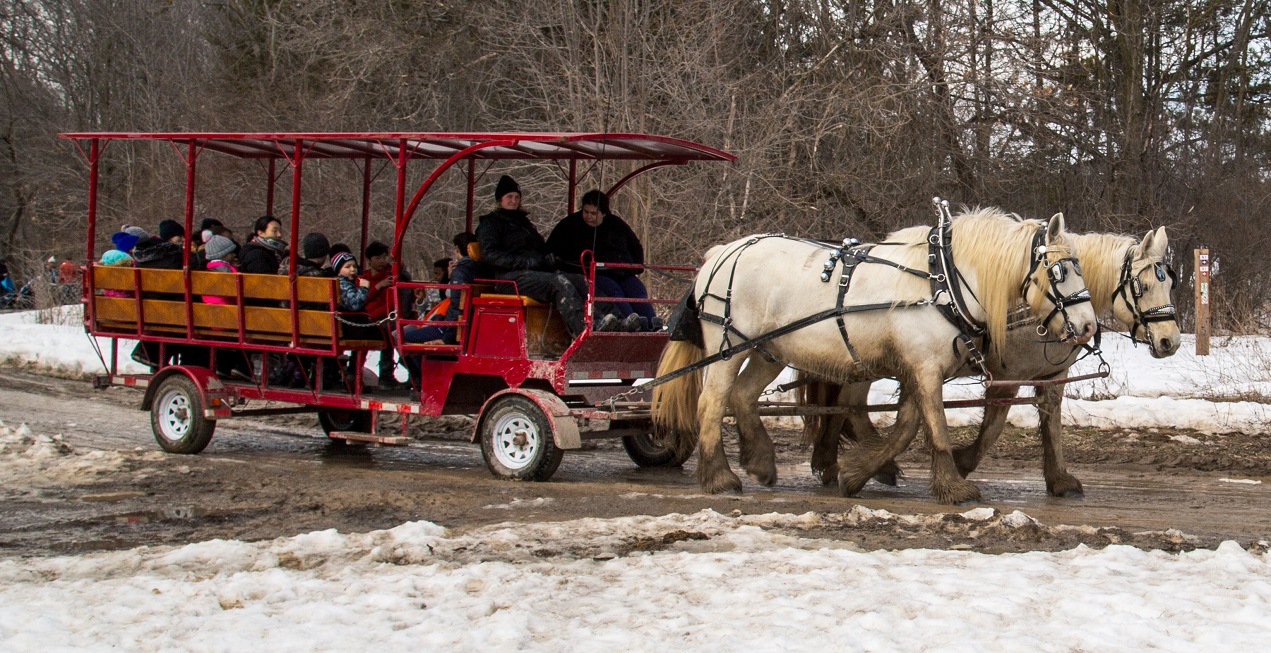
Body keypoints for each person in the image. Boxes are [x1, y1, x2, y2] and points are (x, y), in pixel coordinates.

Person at [475, 175, 608, 337]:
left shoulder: (524, 224)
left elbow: (540, 248)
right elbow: (491, 255)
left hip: (533, 274)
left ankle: (613, 321)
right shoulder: (490, 224)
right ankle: (584, 329)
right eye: (509, 197)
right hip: (508, 277)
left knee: (581, 280)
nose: (513, 200)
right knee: (558, 282)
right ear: (500, 199)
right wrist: (526, 262)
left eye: (517, 197)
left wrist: (548, 258)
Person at [547, 189, 655, 331]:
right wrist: (553, 260)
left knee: (637, 290)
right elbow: (551, 247)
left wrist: (636, 265)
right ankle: (631, 324)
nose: (589, 217)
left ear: (603, 213)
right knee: (612, 291)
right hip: (594, 273)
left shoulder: (616, 225)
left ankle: (652, 324)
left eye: (594, 213)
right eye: (586, 212)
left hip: (622, 272)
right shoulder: (570, 225)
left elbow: (635, 245)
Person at [359, 241, 407, 389]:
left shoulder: (391, 275)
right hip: (367, 317)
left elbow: (392, 304)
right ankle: (354, 371)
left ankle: (386, 375)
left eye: (384, 257)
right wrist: (377, 287)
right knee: (360, 331)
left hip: (385, 317)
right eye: (378, 258)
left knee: (388, 330)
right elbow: (361, 298)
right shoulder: (364, 278)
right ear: (369, 260)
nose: (382, 261)